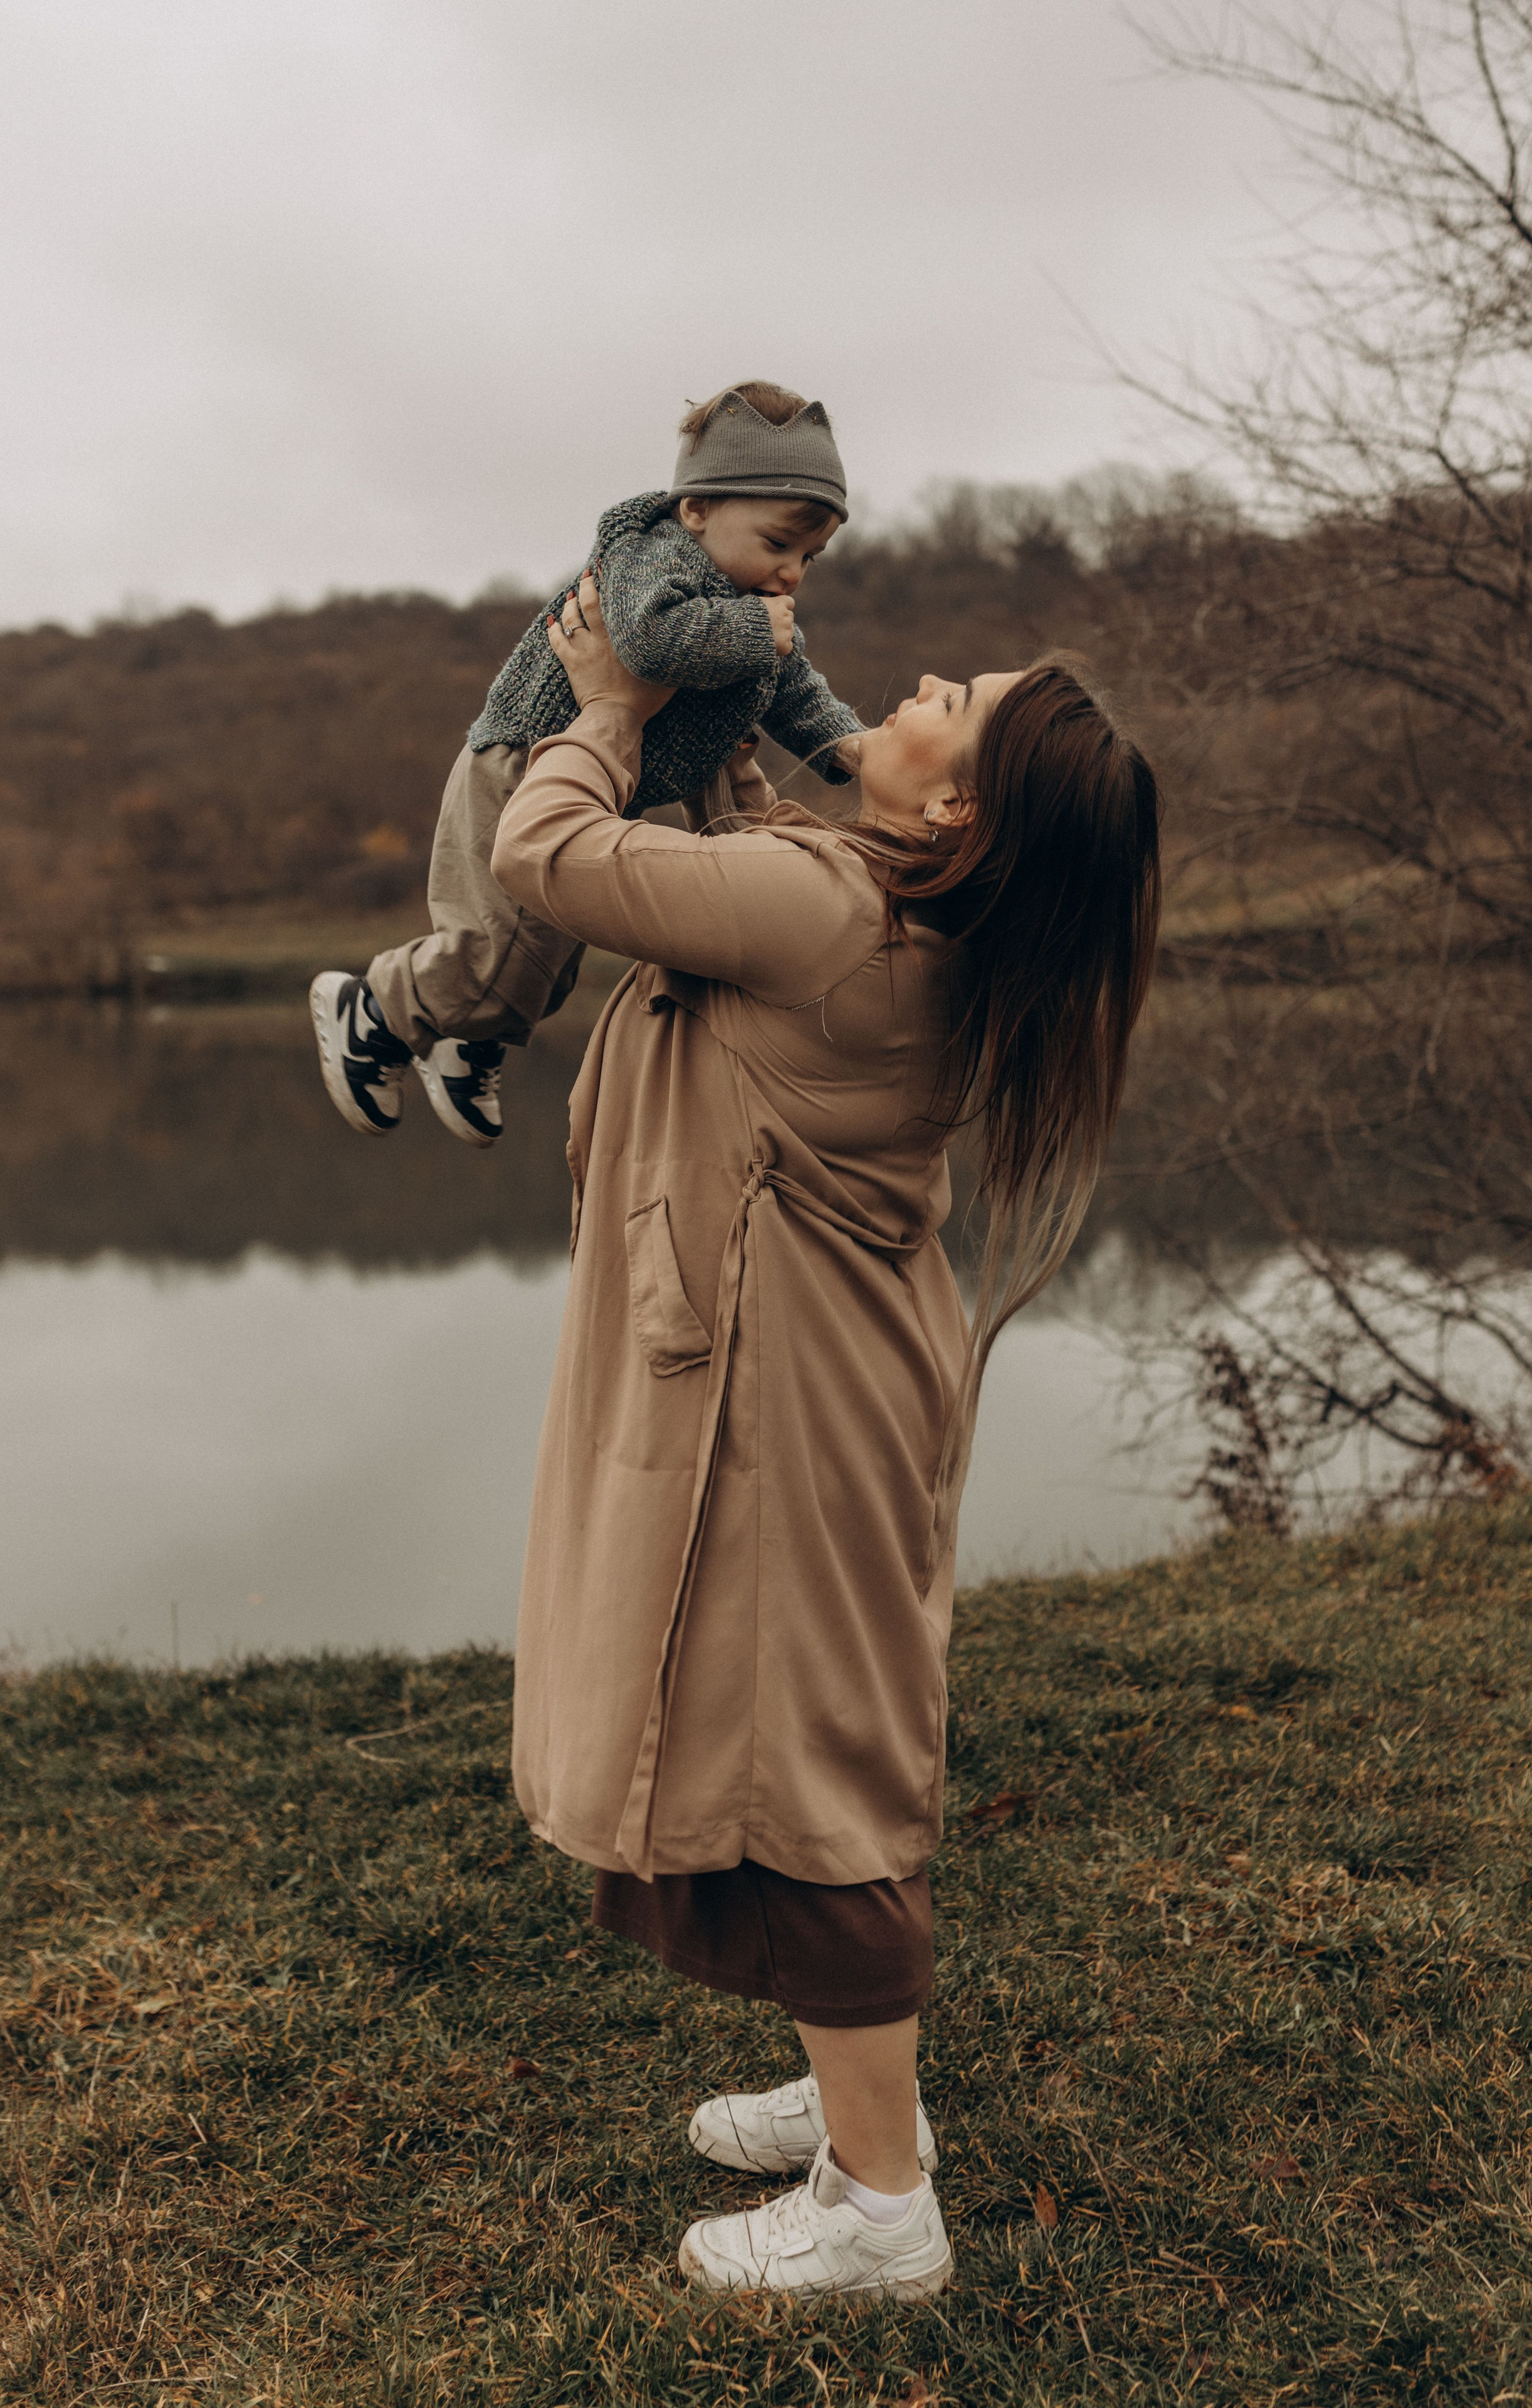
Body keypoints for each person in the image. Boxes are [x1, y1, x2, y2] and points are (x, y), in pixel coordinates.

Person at [493, 575, 1162, 2299]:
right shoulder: (885, 906)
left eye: (957, 695)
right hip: (839, 1372)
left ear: (956, 807)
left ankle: (881, 2208)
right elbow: (745, 856)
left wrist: (609, 706)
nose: (920, 678)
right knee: (813, 1739)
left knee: (823, 1780)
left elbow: (547, 861)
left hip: (793, 1396)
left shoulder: (824, 912)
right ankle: (866, 2103)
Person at [309, 381, 864, 1148]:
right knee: (500, 948)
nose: (794, 573)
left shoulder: (745, 605)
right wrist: (751, 628)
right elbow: (646, 644)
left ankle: (468, 1043)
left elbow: (793, 686)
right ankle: (372, 1009)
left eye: (811, 556)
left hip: (589, 786)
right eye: (778, 544)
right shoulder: (649, 553)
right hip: (520, 770)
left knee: (549, 959)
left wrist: (849, 748)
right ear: (696, 509)